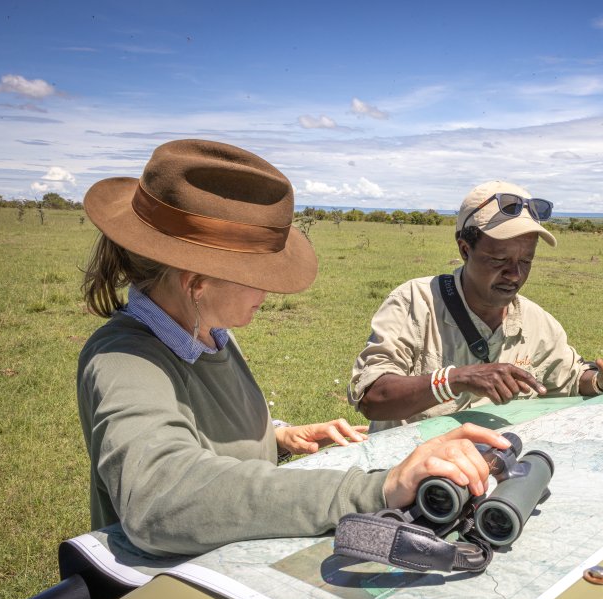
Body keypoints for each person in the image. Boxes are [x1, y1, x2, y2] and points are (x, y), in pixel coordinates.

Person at [78, 139, 511, 557]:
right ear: (197, 283)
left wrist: (279, 437)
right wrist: (377, 488)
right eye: (259, 272)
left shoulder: (205, 331)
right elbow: (161, 497)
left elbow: (196, 431)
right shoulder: (125, 360)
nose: (271, 289)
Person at [348, 180, 603, 432]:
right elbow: (374, 397)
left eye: (526, 261)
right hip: (412, 481)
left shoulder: (535, 321)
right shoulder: (415, 302)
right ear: (465, 249)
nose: (515, 275)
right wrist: (457, 379)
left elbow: (571, 379)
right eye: (499, 260)